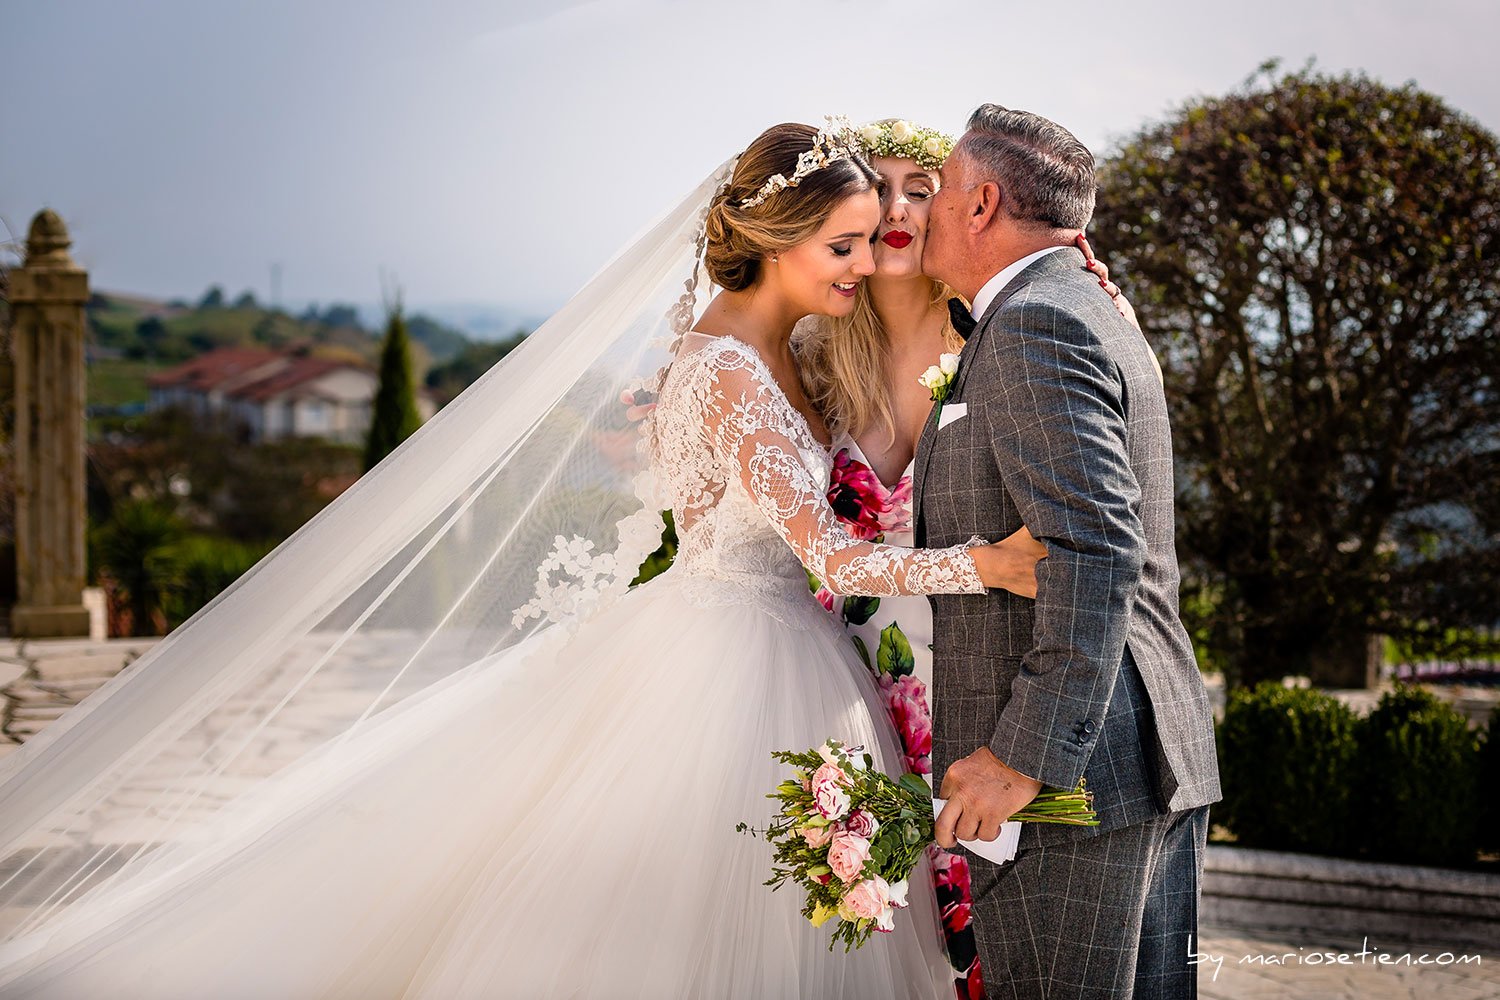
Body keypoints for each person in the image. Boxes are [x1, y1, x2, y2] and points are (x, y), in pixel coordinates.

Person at [0, 121, 1047, 999]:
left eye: (871, 243)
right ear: (778, 240)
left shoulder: (772, 343)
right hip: (736, 660)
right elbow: (830, 550)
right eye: (846, 247)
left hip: (754, 635)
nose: (866, 267)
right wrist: (987, 567)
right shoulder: (729, 366)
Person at [795, 118, 1138, 1000]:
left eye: (926, 186)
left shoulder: (1004, 332)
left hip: (983, 691)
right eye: (885, 190)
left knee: (982, 946)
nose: (905, 210)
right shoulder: (811, 354)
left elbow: (1098, 530)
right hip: (847, 688)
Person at [916, 104, 1222, 1000]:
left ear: (982, 204)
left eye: (939, 188)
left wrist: (1023, 754)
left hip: (1075, 782)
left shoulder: (1035, 324)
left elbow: (1093, 544)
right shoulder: (1081, 305)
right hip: (1136, 752)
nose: (928, 207)